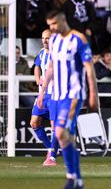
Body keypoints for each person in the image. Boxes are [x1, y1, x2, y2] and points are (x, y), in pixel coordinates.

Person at [38, 10, 98, 189]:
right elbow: (50, 67)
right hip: (55, 95)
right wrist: (42, 93)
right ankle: (77, 179)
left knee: (60, 133)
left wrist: (93, 93)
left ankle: (71, 176)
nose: (52, 28)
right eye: (50, 25)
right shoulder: (54, 41)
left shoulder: (79, 39)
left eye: (54, 24)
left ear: (63, 20)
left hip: (73, 94)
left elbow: (89, 68)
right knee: (66, 138)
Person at [30, 29, 59, 166]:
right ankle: (50, 148)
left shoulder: (58, 54)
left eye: (47, 38)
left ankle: (52, 157)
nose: (45, 41)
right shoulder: (41, 53)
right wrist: (37, 79)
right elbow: (36, 67)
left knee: (54, 126)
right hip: (43, 94)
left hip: (55, 95)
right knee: (34, 122)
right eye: (43, 38)